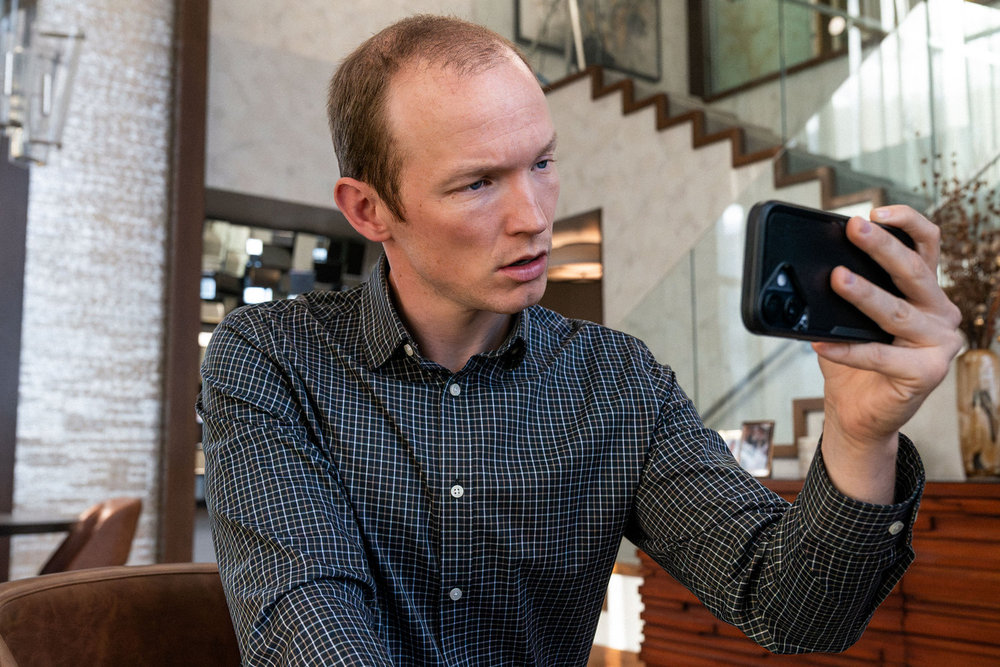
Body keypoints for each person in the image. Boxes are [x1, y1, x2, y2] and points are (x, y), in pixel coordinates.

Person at [198, 14, 963, 666]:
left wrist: (863, 435)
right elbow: (313, 636)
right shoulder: (273, 358)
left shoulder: (617, 381)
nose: (535, 216)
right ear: (369, 210)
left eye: (542, 162)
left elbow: (797, 612)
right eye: (478, 183)